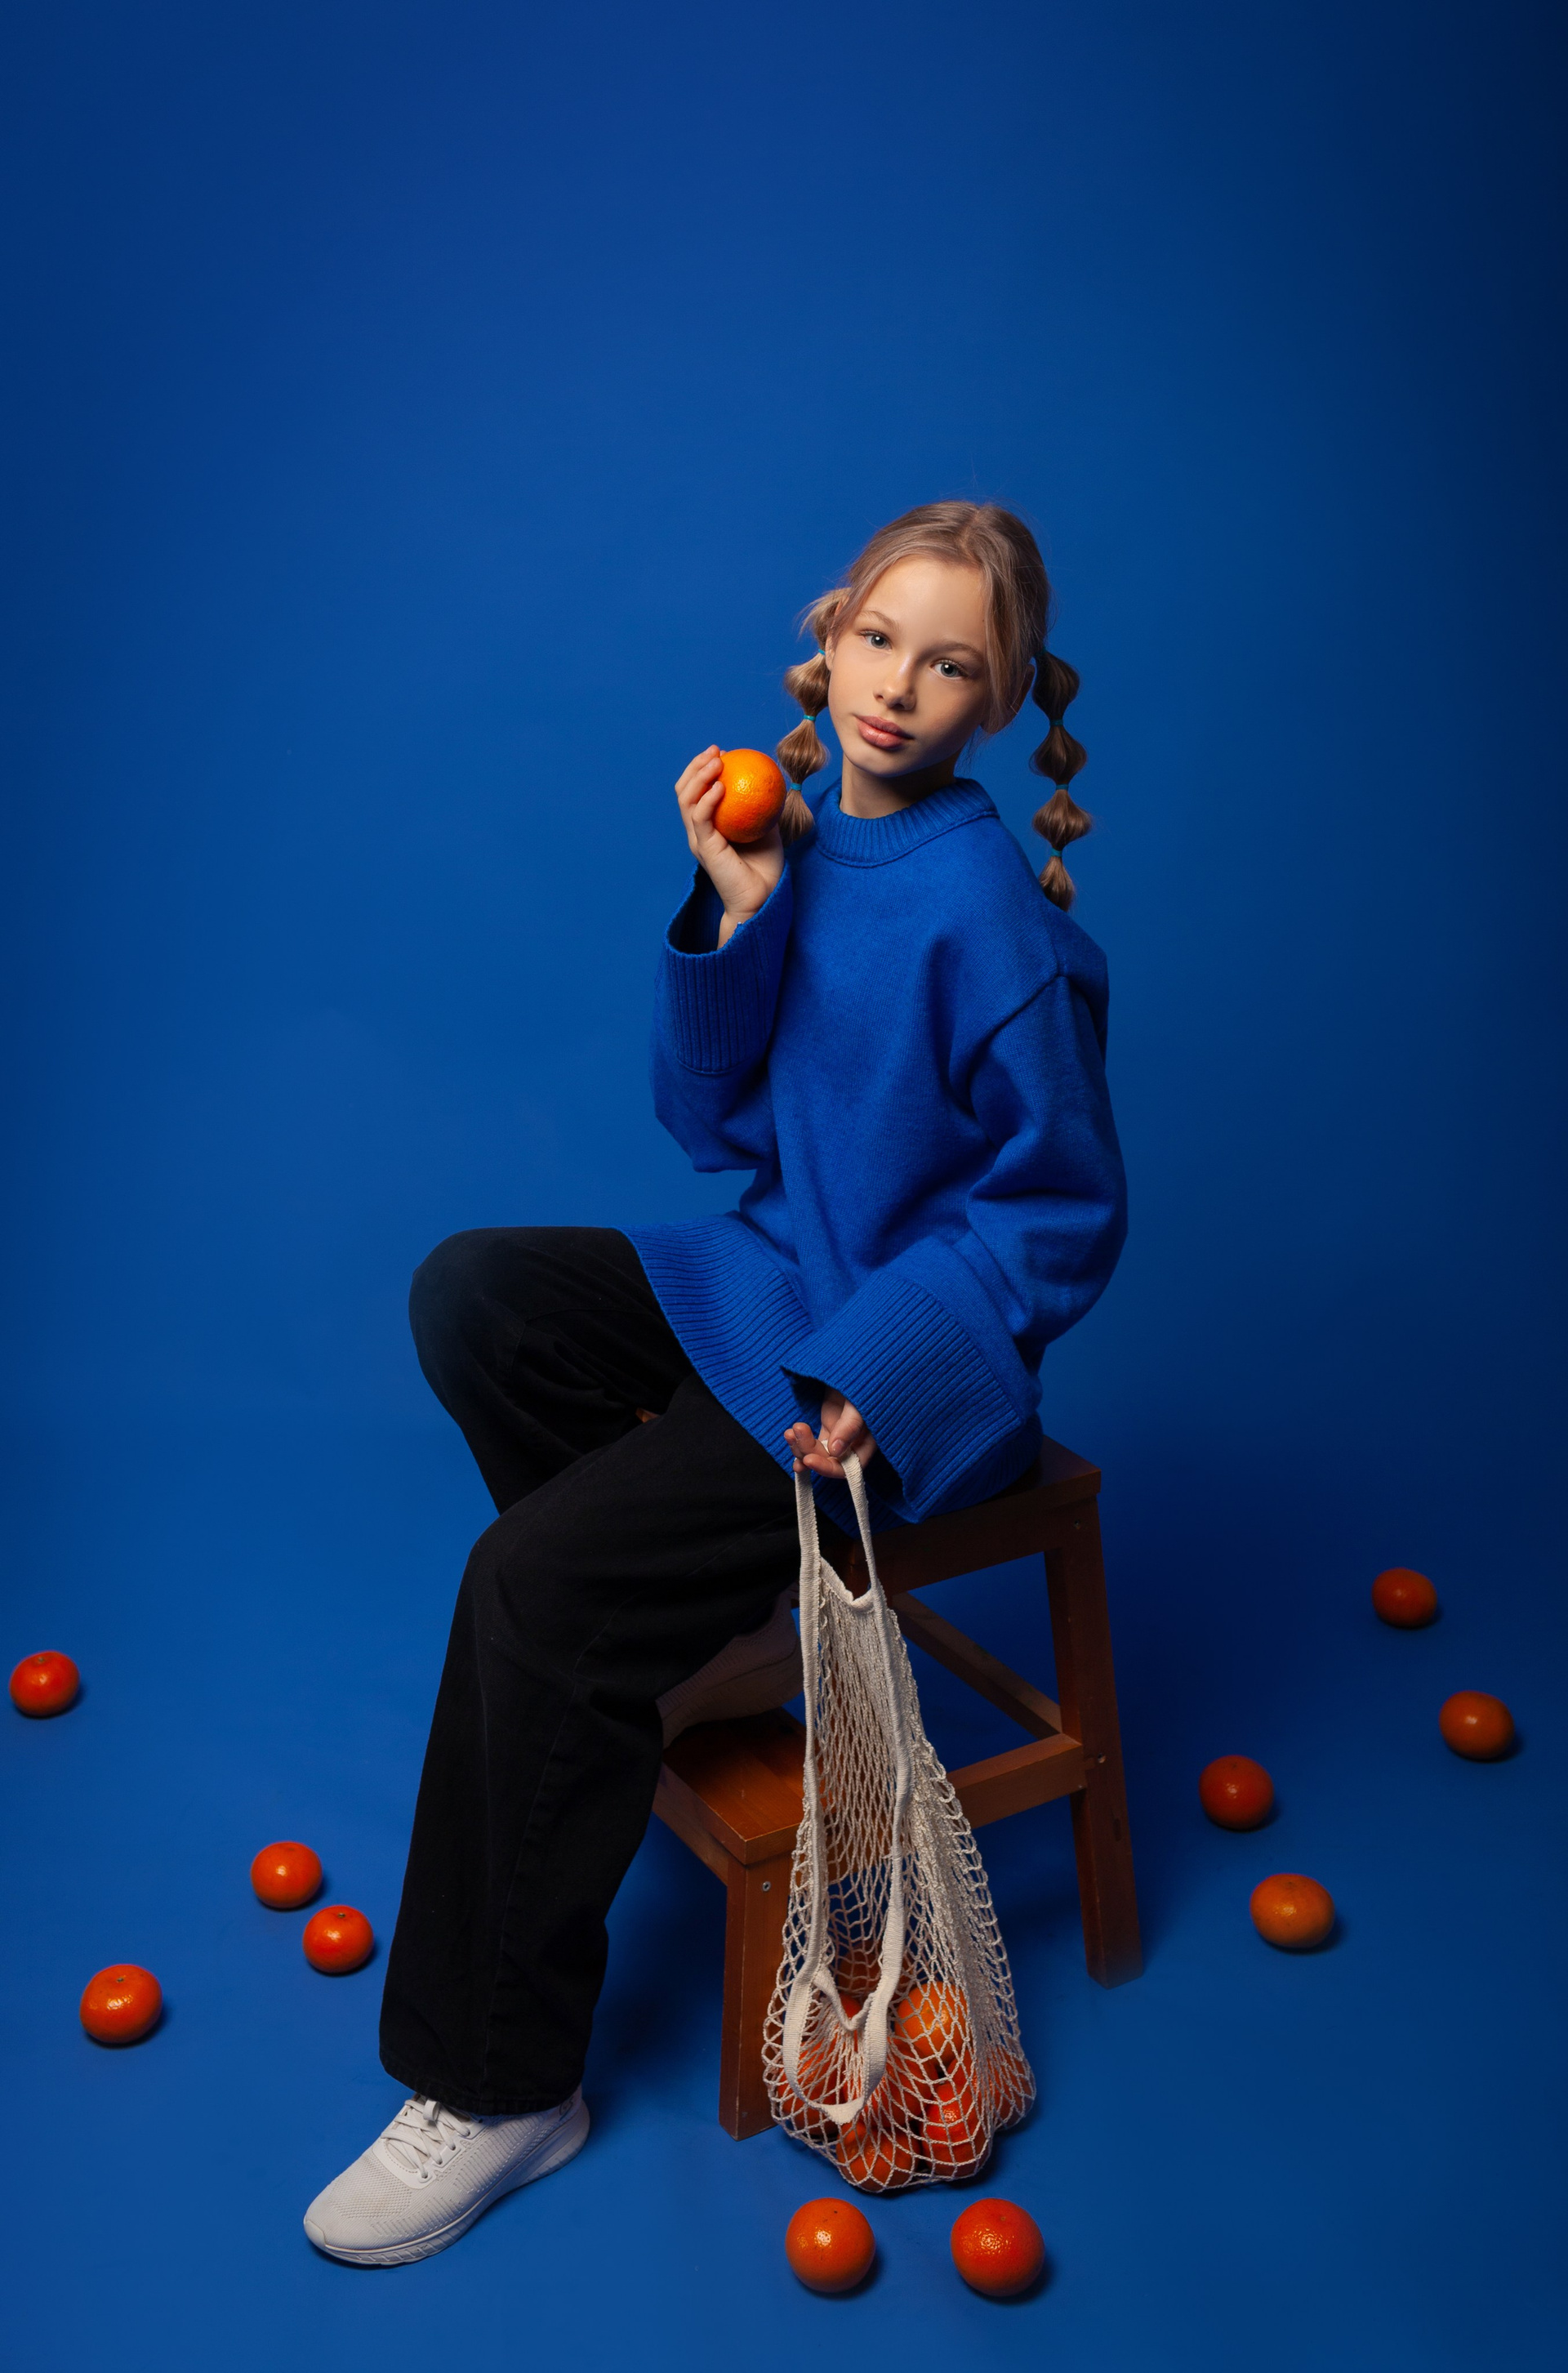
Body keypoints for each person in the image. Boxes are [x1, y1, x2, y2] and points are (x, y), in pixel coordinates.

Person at [303, 500, 1128, 2265]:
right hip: (764, 1280)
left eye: (949, 666)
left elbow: (1062, 1212)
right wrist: (739, 912)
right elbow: (713, 1130)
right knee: (477, 1299)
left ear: (996, 703)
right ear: (829, 637)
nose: (897, 687)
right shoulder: (807, 847)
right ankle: (680, 1635)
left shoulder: (989, 917)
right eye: (879, 640)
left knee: (526, 1583)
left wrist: (894, 1364)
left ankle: (503, 2080)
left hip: (881, 1377)